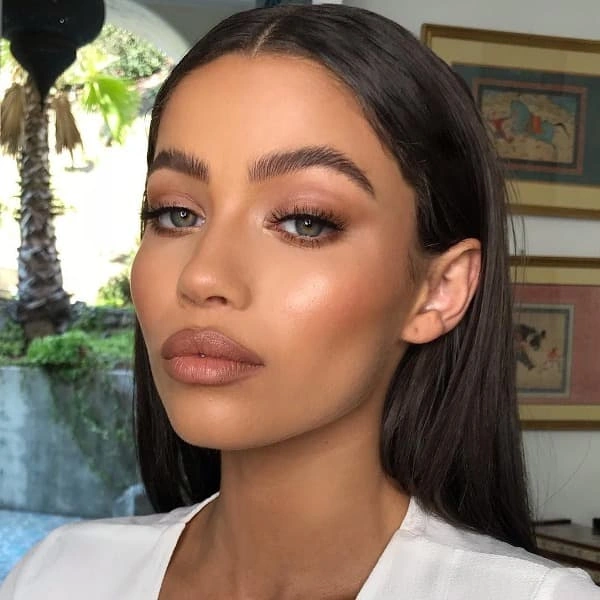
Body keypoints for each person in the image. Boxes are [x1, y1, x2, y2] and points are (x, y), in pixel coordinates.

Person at [1, 5, 599, 599]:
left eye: (305, 221)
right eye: (176, 214)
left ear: (438, 291)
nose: (202, 275)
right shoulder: (58, 575)